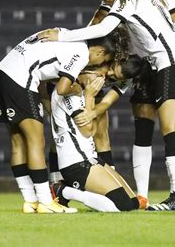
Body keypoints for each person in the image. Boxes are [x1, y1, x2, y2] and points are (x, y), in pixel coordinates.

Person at [36, 0, 175, 211]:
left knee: (171, 127)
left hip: (172, 62)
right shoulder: (138, 0)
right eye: (109, 73)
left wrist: (63, 35)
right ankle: (59, 182)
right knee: (171, 127)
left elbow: (103, 28)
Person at [83, 0, 175, 209]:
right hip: (145, 64)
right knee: (147, 127)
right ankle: (145, 195)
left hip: (169, 60)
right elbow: (97, 27)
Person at [0, 29, 117, 213]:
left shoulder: (64, 36)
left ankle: (30, 201)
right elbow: (62, 89)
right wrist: (80, 91)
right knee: (36, 141)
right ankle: (45, 201)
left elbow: (43, 76)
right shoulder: (81, 53)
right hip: (20, 80)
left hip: (0, 75)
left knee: (17, 142)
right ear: (100, 52)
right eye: (104, 62)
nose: (99, 66)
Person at [49, 69, 139, 212]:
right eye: (97, 74)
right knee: (123, 205)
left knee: (134, 203)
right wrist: (90, 96)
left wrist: (89, 97)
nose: (102, 79)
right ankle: (63, 191)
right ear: (83, 70)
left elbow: (94, 129)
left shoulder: (80, 92)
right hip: (76, 163)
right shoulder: (69, 94)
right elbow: (88, 131)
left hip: (90, 158)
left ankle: (71, 190)